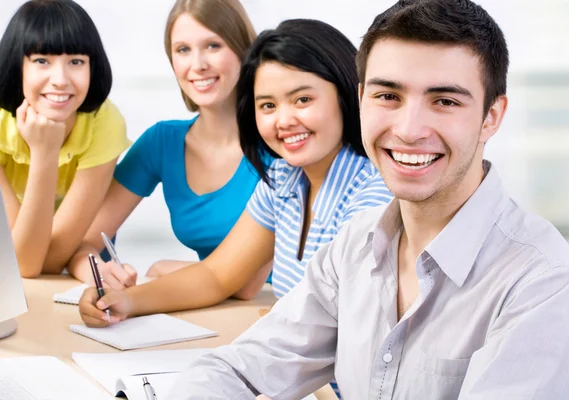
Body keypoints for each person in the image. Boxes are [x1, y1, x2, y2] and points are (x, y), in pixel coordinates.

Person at [166, 1, 569, 399]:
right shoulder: (355, 247)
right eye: (388, 96)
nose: (409, 129)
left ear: (492, 116)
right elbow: (240, 369)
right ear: (361, 100)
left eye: (444, 100)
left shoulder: (544, 285)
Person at [78, 18, 393, 323]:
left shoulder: (373, 193)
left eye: (302, 99)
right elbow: (218, 274)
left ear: (349, 94)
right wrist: (128, 301)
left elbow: (344, 322)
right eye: (268, 106)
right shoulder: (283, 179)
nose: (283, 120)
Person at [67, 0, 268, 290]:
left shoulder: (278, 142)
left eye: (213, 45)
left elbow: (248, 284)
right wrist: (98, 271)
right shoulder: (162, 142)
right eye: (183, 50)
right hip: (212, 311)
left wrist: (163, 268)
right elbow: (84, 240)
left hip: (277, 309)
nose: (198, 65)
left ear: (243, 50)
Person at [0, 0, 130, 278]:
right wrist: (44, 151)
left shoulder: (104, 123)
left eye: (76, 61)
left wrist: (44, 152)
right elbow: (20, 264)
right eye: (42, 61)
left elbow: (47, 263)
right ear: (17, 65)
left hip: (77, 263)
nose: (60, 79)